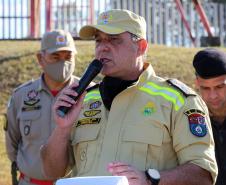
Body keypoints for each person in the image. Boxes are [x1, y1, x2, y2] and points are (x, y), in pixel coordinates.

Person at [41, 9, 217, 185]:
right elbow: (51, 171)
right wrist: (62, 129)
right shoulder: (82, 100)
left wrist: (150, 178)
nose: (103, 47)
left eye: (114, 40)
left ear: (141, 47)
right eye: (98, 40)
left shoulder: (177, 100)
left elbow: (203, 175)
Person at [5, 29, 80, 185]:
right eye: (56, 56)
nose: (63, 63)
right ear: (40, 58)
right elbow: (12, 143)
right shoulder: (21, 96)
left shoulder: (88, 94)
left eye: (68, 57)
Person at [193, 48, 226, 185]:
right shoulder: (191, 119)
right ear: (197, 84)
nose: (213, 96)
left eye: (220, 87)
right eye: (205, 88)